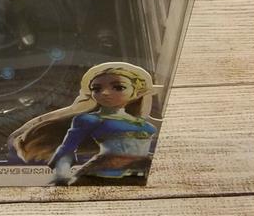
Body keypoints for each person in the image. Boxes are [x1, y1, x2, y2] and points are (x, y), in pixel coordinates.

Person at [9, 62, 158, 185]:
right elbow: (67, 149)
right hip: (101, 178)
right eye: (97, 89)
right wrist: (61, 176)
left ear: (136, 92)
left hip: (139, 175)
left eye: (118, 87)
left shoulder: (140, 122)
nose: (105, 93)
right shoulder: (90, 120)